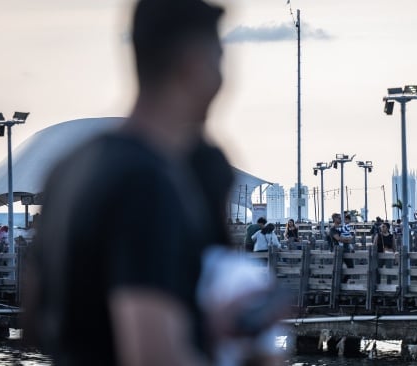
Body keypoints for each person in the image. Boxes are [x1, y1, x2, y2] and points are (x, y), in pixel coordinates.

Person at [23, 2, 284, 365]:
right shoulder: (146, 181)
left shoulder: (68, 167)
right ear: (194, 65)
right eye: (219, 59)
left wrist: (204, 325)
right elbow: (153, 356)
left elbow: (38, 320)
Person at [328, 213, 354, 283]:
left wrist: (347, 238)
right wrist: (347, 239)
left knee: (351, 267)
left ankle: (343, 282)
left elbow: (349, 236)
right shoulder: (333, 229)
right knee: (337, 268)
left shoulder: (342, 228)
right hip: (337, 250)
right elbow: (338, 238)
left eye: (340, 218)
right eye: (339, 218)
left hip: (346, 249)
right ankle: (336, 283)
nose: (340, 219)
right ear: (334, 219)